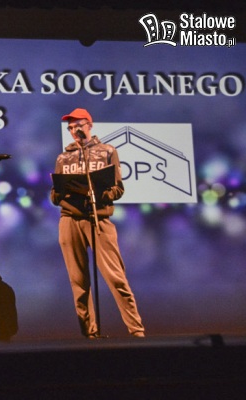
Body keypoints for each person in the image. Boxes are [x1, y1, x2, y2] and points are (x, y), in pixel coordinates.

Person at [50, 108, 145, 338]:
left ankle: (136, 330)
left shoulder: (107, 151)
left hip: (98, 218)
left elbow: (118, 189)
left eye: (78, 126)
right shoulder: (63, 158)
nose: (74, 130)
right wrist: (62, 191)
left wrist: (98, 193)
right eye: (70, 128)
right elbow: (54, 196)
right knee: (78, 282)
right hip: (70, 220)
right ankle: (89, 333)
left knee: (115, 277)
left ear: (89, 125)